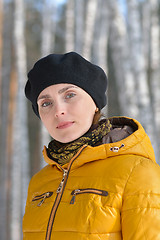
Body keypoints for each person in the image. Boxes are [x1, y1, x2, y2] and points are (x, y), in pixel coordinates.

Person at [23, 52, 160, 240]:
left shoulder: (137, 172)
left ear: (95, 103)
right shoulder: (39, 183)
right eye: (46, 103)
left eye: (70, 95)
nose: (59, 110)